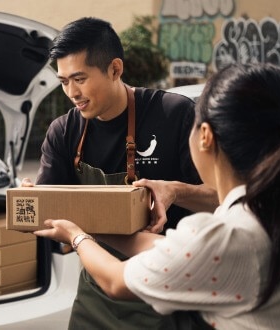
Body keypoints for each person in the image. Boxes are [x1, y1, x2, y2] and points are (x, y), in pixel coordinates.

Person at [34, 63, 280, 329]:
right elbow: (173, 250)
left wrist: (75, 235)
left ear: (206, 136)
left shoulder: (232, 237)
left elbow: (115, 280)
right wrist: (90, 224)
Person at [22, 17, 218, 328]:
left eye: (80, 78)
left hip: (168, 294)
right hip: (97, 294)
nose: (71, 92)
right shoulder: (64, 132)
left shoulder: (174, 115)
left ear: (115, 69)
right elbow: (52, 225)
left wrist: (176, 191)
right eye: (63, 82)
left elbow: (223, 201)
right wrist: (34, 203)